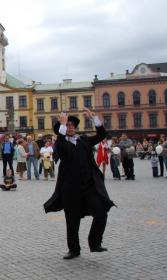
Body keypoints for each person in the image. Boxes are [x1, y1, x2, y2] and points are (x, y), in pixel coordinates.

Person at [44, 109, 115, 260]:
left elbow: (102, 135)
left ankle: (95, 242)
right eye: (67, 125)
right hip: (70, 188)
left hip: (89, 186)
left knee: (101, 211)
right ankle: (74, 250)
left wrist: (94, 119)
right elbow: (61, 142)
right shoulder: (60, 144)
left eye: (72, 125)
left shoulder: (84, 140)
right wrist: (61, 124)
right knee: (72, 220)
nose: (70, 127)